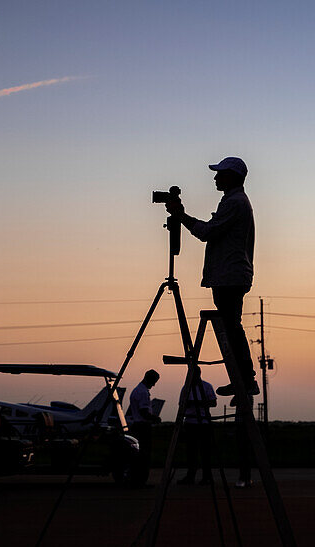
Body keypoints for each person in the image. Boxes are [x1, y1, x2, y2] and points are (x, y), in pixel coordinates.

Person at [167, 156, 258, 397]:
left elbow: (208, 232)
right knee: (231, 328)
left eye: (220, 174)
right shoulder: (234, 201)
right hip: (229, 275)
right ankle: (243, 380)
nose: (216, 178)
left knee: (231, 329)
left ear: (233, 177)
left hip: (229, 276)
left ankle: (245, 380)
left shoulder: (235, 202)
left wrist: (181, 217)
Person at [176, 367, 217, 485]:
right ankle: (190, 476)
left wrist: (197, 403)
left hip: (203, 423)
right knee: (191, 452)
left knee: (206, 452)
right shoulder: (186, 388)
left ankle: (207, 477)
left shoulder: (207, 386)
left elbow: (213, 402)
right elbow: (182, 404)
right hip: (190, 423)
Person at [127, 369, 162, 473]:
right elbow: (143, 412)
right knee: (144, 453)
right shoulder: (142, 392)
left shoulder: (137, 390)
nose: (154, 385)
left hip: (137, 425)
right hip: (142, 426)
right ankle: (141, 476)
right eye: (154, 382)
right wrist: (155, 418)